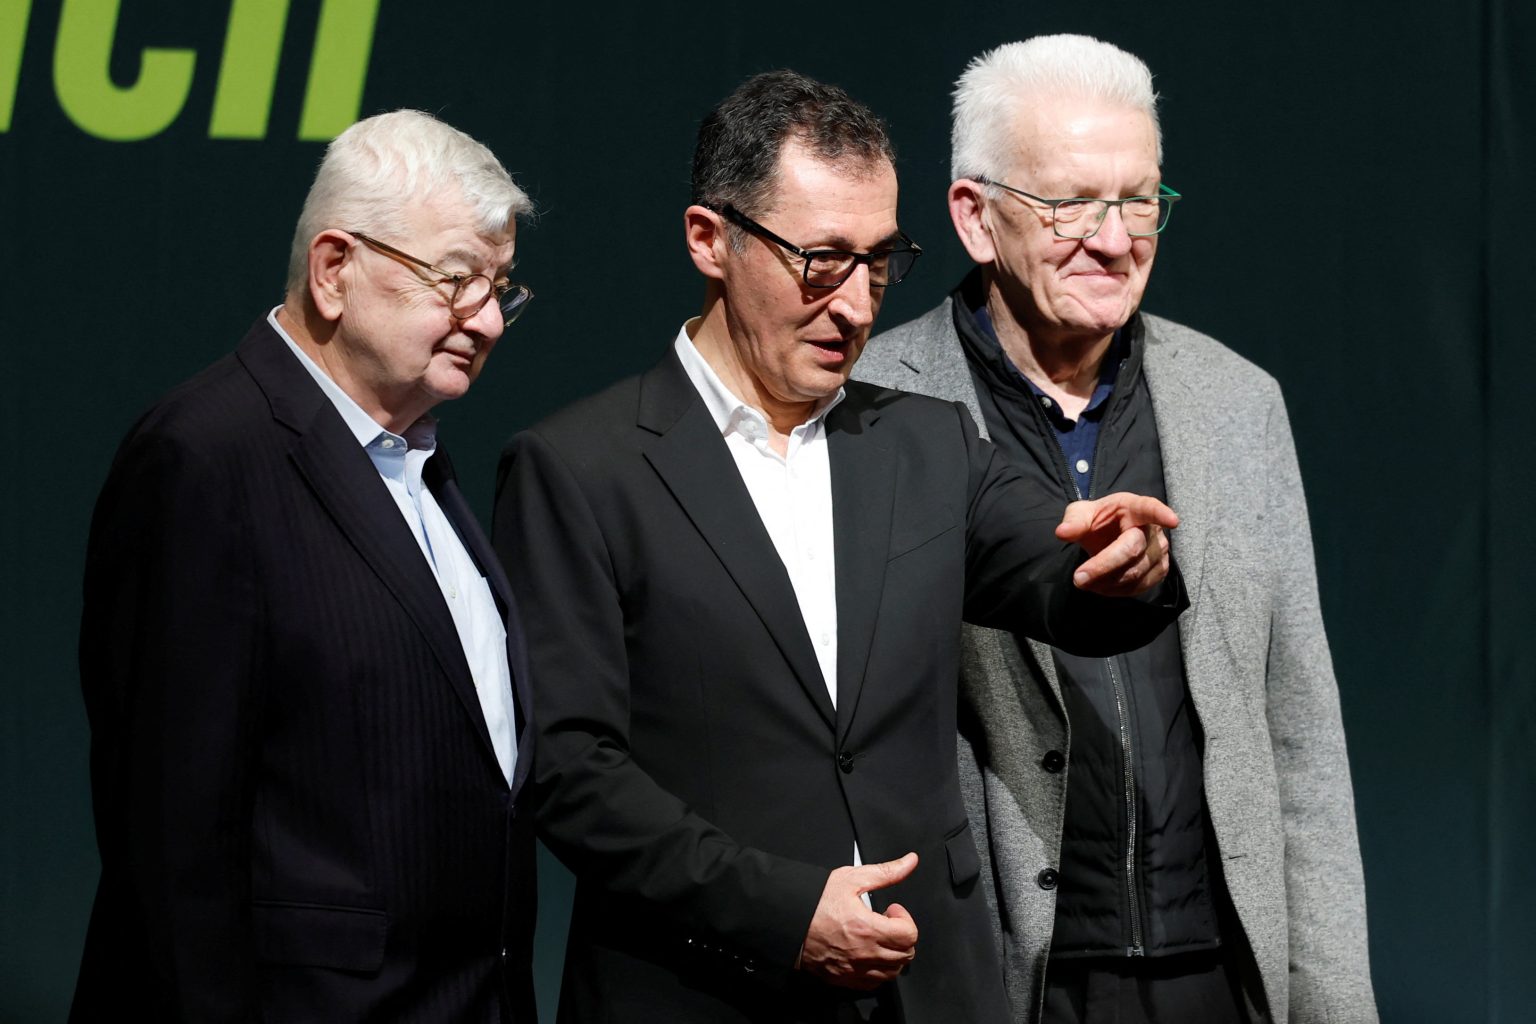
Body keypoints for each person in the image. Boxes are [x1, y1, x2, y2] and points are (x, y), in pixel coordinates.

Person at [493, 70, 1187, 1024]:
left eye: (879, 262)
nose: (858, 305)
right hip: (701, 990)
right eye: (822, 261)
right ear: (710, 240)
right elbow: (570, 770)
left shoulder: (927, 442)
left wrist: (1123, 566)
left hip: (929, 992)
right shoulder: (579, 468)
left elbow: (1061, 569)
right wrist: (784, 912)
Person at [854, 35, 1377, 1023]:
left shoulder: (1236, 402)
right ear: (975, 216)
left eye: (1138, 201)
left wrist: (1334, 1003)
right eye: (1071, 204)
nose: (1114, 238)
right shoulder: (873, 407)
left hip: (1218, 972)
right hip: (1005, 978)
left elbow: (1299, 729)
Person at [73, 110, 538, 1022]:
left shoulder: (418, 464)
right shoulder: (205, 458)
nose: (487, 319)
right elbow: (170, 845)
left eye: (501, 289)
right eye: (457, 280)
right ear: (334, 270)